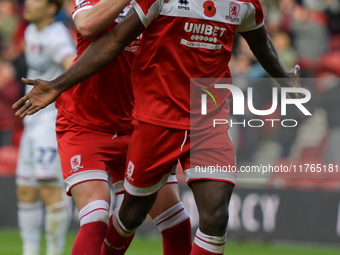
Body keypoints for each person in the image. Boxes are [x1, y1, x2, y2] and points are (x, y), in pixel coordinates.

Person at [13, 0, 302, 254]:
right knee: (103, 216)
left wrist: (284, 79)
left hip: (178, 119)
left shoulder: (244, 3)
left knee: (202, 219)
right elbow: (95, 31)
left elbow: (259, 41)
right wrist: (58, 84)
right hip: (94, 123)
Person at [53, 0, 192, 254]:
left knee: (177, 223)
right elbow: (86, 25)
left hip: (138, 126)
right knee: (95, 218)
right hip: (83, 123)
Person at [15, 0, 76, 254]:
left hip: (49, 123)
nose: (28, 3)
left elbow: (72, 65)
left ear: (52, 8)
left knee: (51, 192)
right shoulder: (31, 31)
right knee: (26, 190)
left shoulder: (57, 37)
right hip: (31, 122)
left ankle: (54, 251)